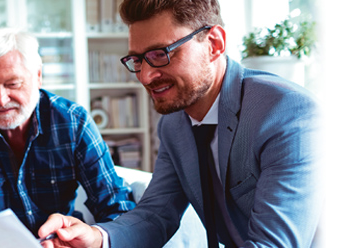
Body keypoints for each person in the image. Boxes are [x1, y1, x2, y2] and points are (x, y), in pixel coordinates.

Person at [38, 0, 321, 247]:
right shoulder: (174, 124)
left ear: (214, 44)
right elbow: (156, 214)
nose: (146, 76)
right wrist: (97, 238)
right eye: (138, 60)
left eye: (161, 54)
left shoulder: (285, 112)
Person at [0, 28, 136, 237]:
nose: (1, 100)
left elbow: (115, 203)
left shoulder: (73, 121)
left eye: (12, 84)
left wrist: (91, 236)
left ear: (38, 76)